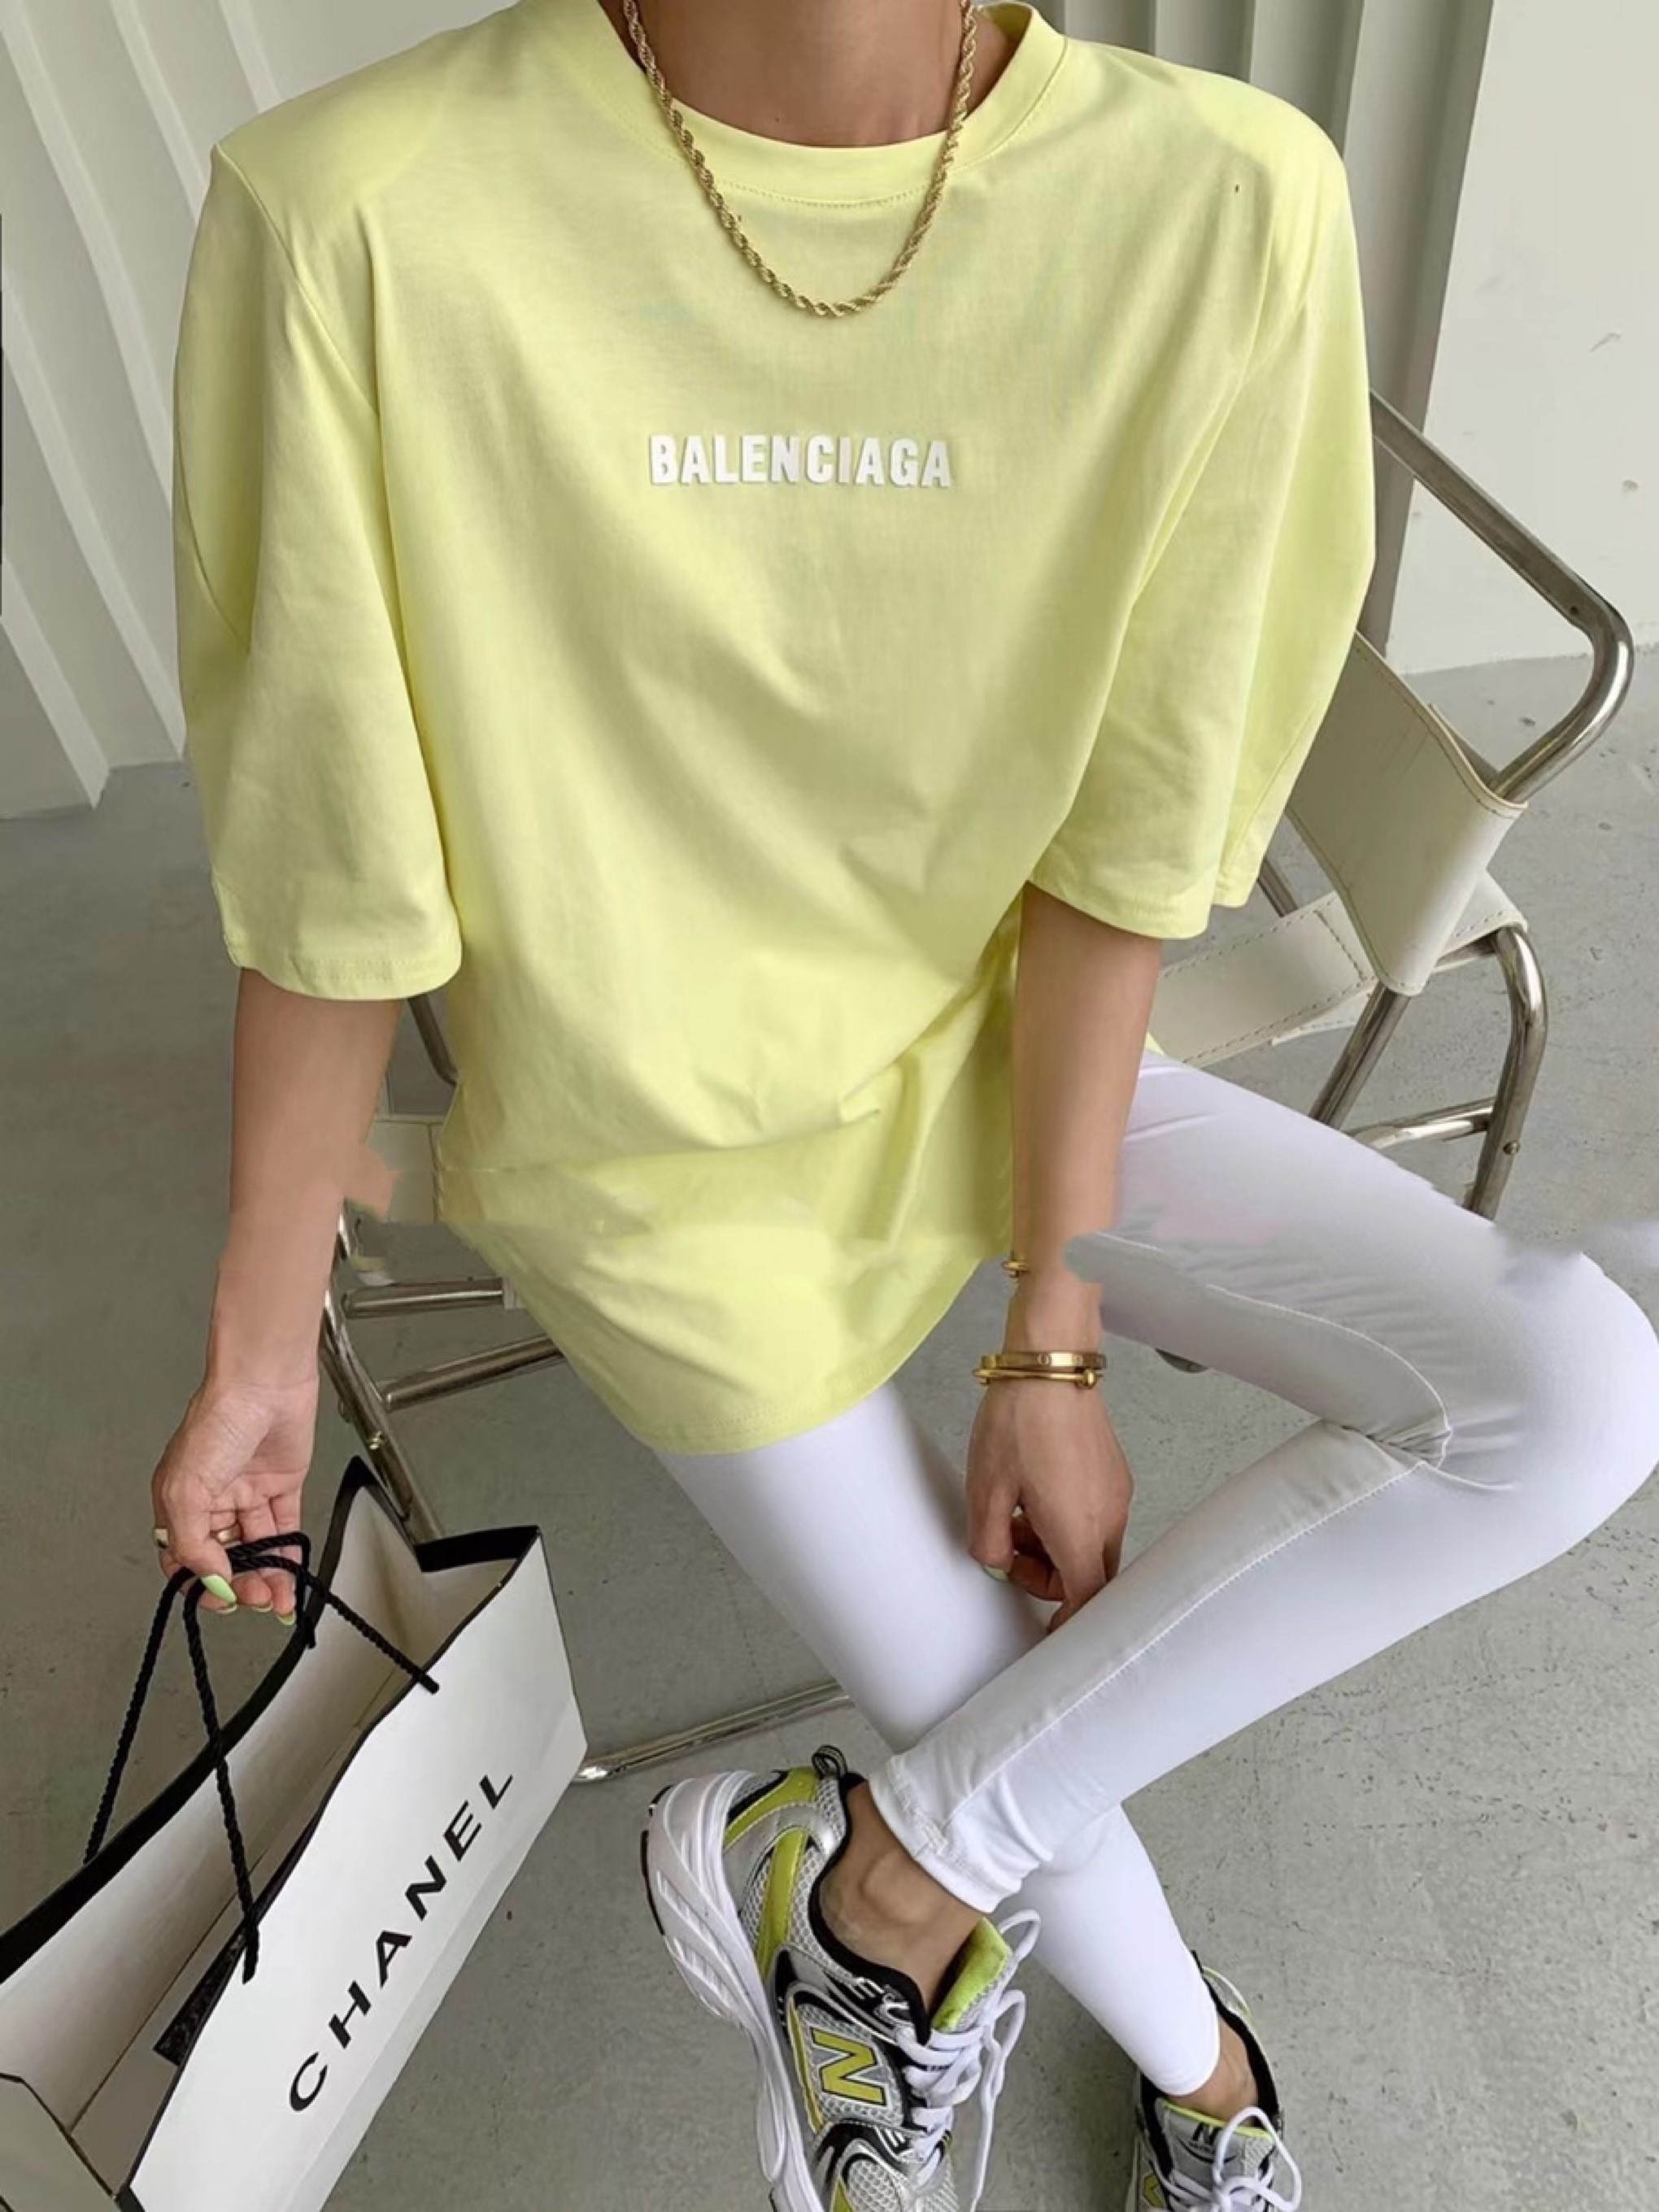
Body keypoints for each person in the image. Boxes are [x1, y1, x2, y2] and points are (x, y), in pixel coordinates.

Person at [151, 2, 1659, 2207]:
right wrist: (258, 1352)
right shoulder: (352, 217)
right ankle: (1206, 2080)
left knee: (1571, 1394)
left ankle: (859, 1890)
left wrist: (1054, 1334)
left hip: (1008, 1048)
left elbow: (1130, 838)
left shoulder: (1221, 204)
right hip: (662, 1163)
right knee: (996, 1710)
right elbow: (333, 885)